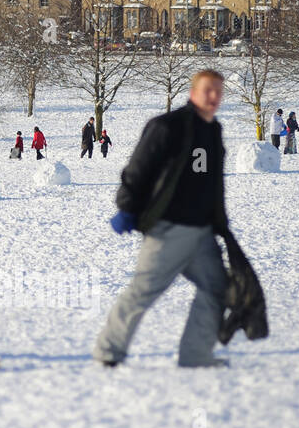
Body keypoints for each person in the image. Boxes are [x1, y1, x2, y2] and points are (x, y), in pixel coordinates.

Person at [92, 69, 232, 368]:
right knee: (143, 290)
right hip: (169, 229)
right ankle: (108, 352)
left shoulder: (213, 130)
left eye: (219, 91)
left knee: (217, 288)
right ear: (192, 92)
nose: (214, 96)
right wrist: (127, 207)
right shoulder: (168, 126)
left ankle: (195, 356)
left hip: (202, 231)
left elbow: (210, 182)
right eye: (208, 89)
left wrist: (219, 221)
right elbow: (137, 169)